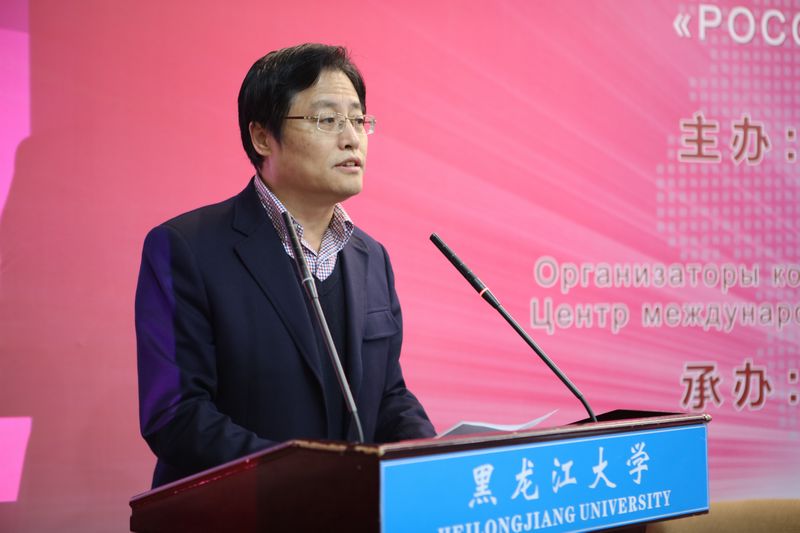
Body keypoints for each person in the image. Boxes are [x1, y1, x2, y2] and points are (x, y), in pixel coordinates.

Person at [135, 43, 435, 488]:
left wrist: (432, 460)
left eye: (358, 120)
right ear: (262, 137)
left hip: (349, 512)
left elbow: (388, 397)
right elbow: (178, 416)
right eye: (327, 120)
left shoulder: (371, 258)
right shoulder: (188, 248)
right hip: (240, 509)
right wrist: (305, 479)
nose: (351, 138)